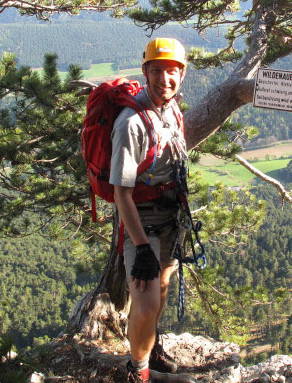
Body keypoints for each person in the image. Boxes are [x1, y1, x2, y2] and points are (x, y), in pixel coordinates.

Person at [110, 38, 188, 383]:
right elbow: (121, 193)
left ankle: (149, 347)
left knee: (161, 292)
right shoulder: (132, 123)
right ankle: (137, 372)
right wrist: (141, 247)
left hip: (171, 219)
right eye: (157, 70)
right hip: (142, 223)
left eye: (172, 71)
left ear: (181, 75)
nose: (165, 79)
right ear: (145, 72)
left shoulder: (171, 109)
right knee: (144, 304)